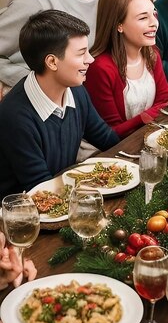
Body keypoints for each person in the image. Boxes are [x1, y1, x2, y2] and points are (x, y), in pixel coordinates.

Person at [0, 11, 119, 197]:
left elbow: (105, 138)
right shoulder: (14, 116)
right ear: (52, 62)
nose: (91, 59)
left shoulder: (75, 89)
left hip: (64, 194)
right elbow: (41, 186)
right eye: (81, 54)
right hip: (23, 214)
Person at [84, 0, 168, 137]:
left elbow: (164, 101)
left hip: (146, 138)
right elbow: (111, 133)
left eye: (154, 14)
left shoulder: (152, 55)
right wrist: (145, 117)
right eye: (143, 18)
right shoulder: (100, 68)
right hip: (108, 152)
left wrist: (148, 116)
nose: (154, 23)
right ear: (119, 25)